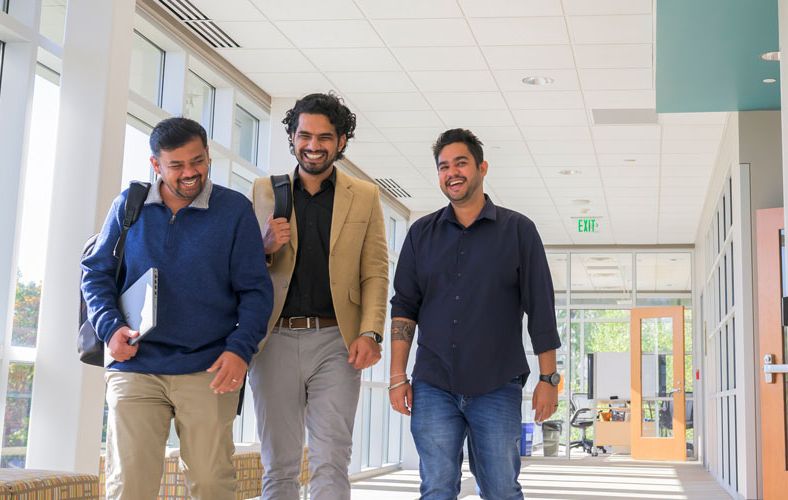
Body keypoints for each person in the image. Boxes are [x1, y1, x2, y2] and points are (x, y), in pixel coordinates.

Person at [82, 117, 272, 500]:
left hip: (208, 366)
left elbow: (255, 291)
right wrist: (110, 328)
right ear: (155, 165)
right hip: (135, 366)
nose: (191, 173)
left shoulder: (233, 210)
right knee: (129, 485)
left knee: (211, 482)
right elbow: (96, 272)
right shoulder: (129, 204)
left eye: (198, 161)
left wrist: (240, 349)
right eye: (177, 165)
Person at [387, 128, 560, 500]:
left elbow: (540, 308)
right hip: (433, 383)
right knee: (435, 488)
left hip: (497, 383)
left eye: (461, 162)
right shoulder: (421, 233)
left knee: (501, 490)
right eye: (443, 166)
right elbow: (404, 307)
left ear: (482, 168)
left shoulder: (519, 231)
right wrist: (397, 376)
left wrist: (549, 377)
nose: (452, 172)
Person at [249, 92, 390, 500]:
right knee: (279, 463)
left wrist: (371, 333)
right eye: (304, 135)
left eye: (324, 137)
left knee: (332, 459)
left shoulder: (365, 196)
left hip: (336, 342)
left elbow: (376, 272)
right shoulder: (263, 190)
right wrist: (262, 247)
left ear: (341, 141)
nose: (313, 146)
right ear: (291, 137)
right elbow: (241, 270)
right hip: (273, 338)